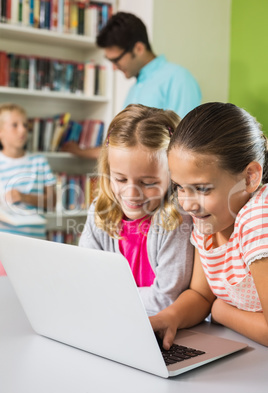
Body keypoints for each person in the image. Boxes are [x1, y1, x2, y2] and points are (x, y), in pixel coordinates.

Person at [150, 102, 268, 348]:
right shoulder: (210, 218)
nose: (187, 204)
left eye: (202, 189)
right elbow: (201, 295)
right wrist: (168, 318)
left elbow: (213, 304)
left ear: (249, 178)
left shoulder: (258, 219)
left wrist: (221, 311)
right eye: (180, 187)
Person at [79, 104, 194, 315]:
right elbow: (86, 280)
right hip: (112, 318)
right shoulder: (100, 210)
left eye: (148, 183)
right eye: (120, 179)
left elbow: (166, 299)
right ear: (107, 171)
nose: (132, 194)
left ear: (173, 177)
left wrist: (107, 298)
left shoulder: (176, 218)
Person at [62, 12, 201, 159]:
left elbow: (183, 146)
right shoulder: (135, 88)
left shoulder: (178, 78)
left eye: (116, 60)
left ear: (139, 49)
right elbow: (122, 147)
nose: (115, 68)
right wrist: (79, 152)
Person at [0, 103, 56, 240]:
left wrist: (23, 197)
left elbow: (52, 201)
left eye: (25, 125)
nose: (22, 130)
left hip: (35, 240)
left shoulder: (39, 161)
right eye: (15, 125)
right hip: (5, 241)